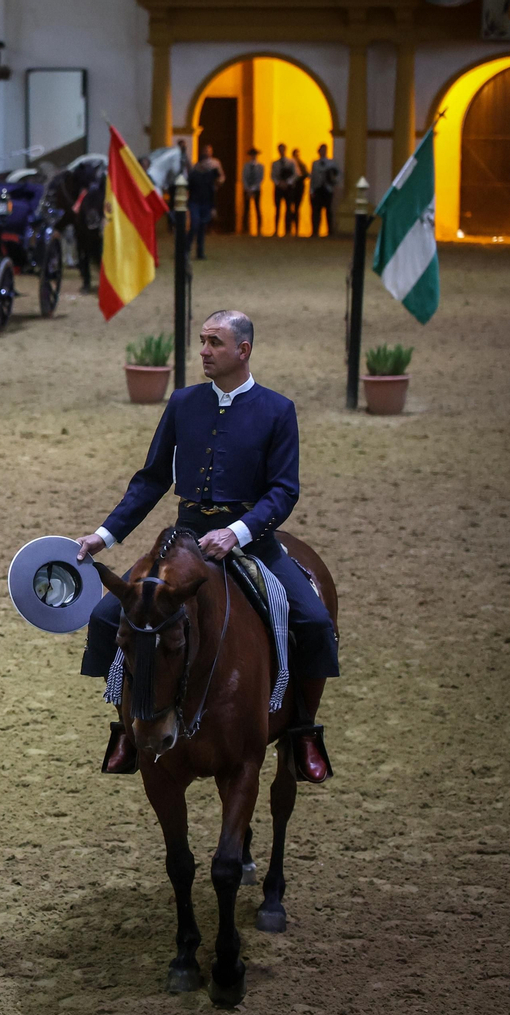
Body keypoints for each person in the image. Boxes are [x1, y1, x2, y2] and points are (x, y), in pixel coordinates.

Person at [76, 310, 337, 784]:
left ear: (243, 350)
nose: (203, 351)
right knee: (107, 617)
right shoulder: (183, 402)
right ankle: (126, 727)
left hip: (253, 543)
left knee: (315, 624)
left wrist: (237, 532)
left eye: (214, 342)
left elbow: (283, 491)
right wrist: (104, 535)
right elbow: (152, 478)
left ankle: (303, 730)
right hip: (187, 538)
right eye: (202, 341)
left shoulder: (278, 410)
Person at [186, 142, 223, 260]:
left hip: (205, 203)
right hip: (195, 202)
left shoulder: (209, 175)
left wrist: (213, 207)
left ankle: (200, 252)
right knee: (195, 225)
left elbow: (213, 192)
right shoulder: (194, 175)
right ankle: (187, 248)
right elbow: (188, 188)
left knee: (202, 227)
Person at [309, 143, 339, 238]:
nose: (323, 152)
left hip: (327, 189)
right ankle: (315, 231)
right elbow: (313, 177)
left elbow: (337, 174)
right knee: (316, 211)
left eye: (324, 150)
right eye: (321, 150)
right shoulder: (315, 163)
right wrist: (311, 190)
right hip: (318, 188)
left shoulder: (331, 163)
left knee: (328, 210)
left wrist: (333, 183)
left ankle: (330, 231)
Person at [269, 142, 295, 238]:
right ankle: (276, 229)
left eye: (282, 149)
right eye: (280, 150)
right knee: (277, 209)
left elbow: (295, 174)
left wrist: (287, 182)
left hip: (288, 188)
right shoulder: (275, 163)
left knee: (288, 208)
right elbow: (272, 175)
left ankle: (288, 230)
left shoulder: (291, 162)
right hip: (279, 187)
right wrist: (278, 183)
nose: (281, 151)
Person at [240, 147, 263, 237]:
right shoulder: (246, 166)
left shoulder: (260, 166)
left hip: (256, 189)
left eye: (255, 155)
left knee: (257, 208)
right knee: (246, 209)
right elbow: (244, 177)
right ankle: (245, 228)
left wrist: (253, 188)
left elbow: (260, 179)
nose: (253, 156)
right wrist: (247, 189)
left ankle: (259, 229)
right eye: (252, 155)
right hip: (247, 189)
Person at [288, 147, 307, 236]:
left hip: (299, 188)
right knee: (289, 208)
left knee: (297, 208)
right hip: (291, 188)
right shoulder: (290, 164)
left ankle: (296, 229)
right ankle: (289, 228)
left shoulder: (302, 164)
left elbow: (306, 174)